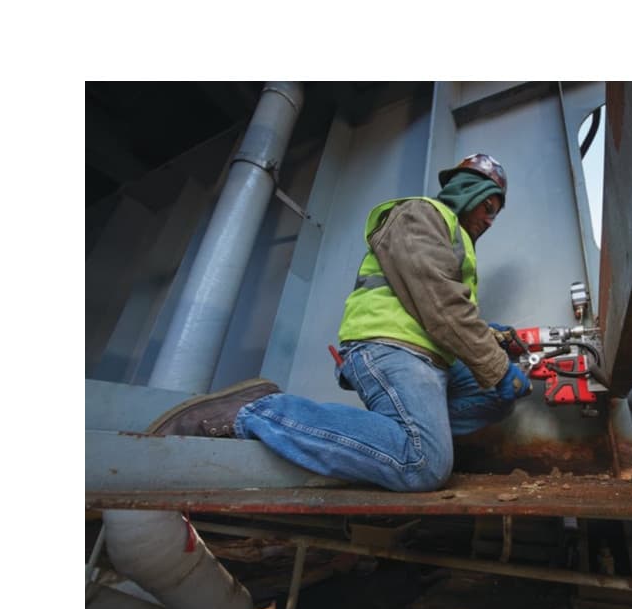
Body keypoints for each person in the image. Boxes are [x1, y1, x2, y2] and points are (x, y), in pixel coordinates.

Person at [145, 153, 532, 492]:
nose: (490, 220)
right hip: (391, 347)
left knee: (496, 395)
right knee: (424, 465)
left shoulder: (455, 241)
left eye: (495, 214)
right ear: (470, 191)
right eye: (489, 207)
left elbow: (443, 305)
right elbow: (439, 302)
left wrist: (491, 339)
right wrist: (496, 365)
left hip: (428, 356)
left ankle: (388, 439)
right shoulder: (422, 214)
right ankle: (254, 411)